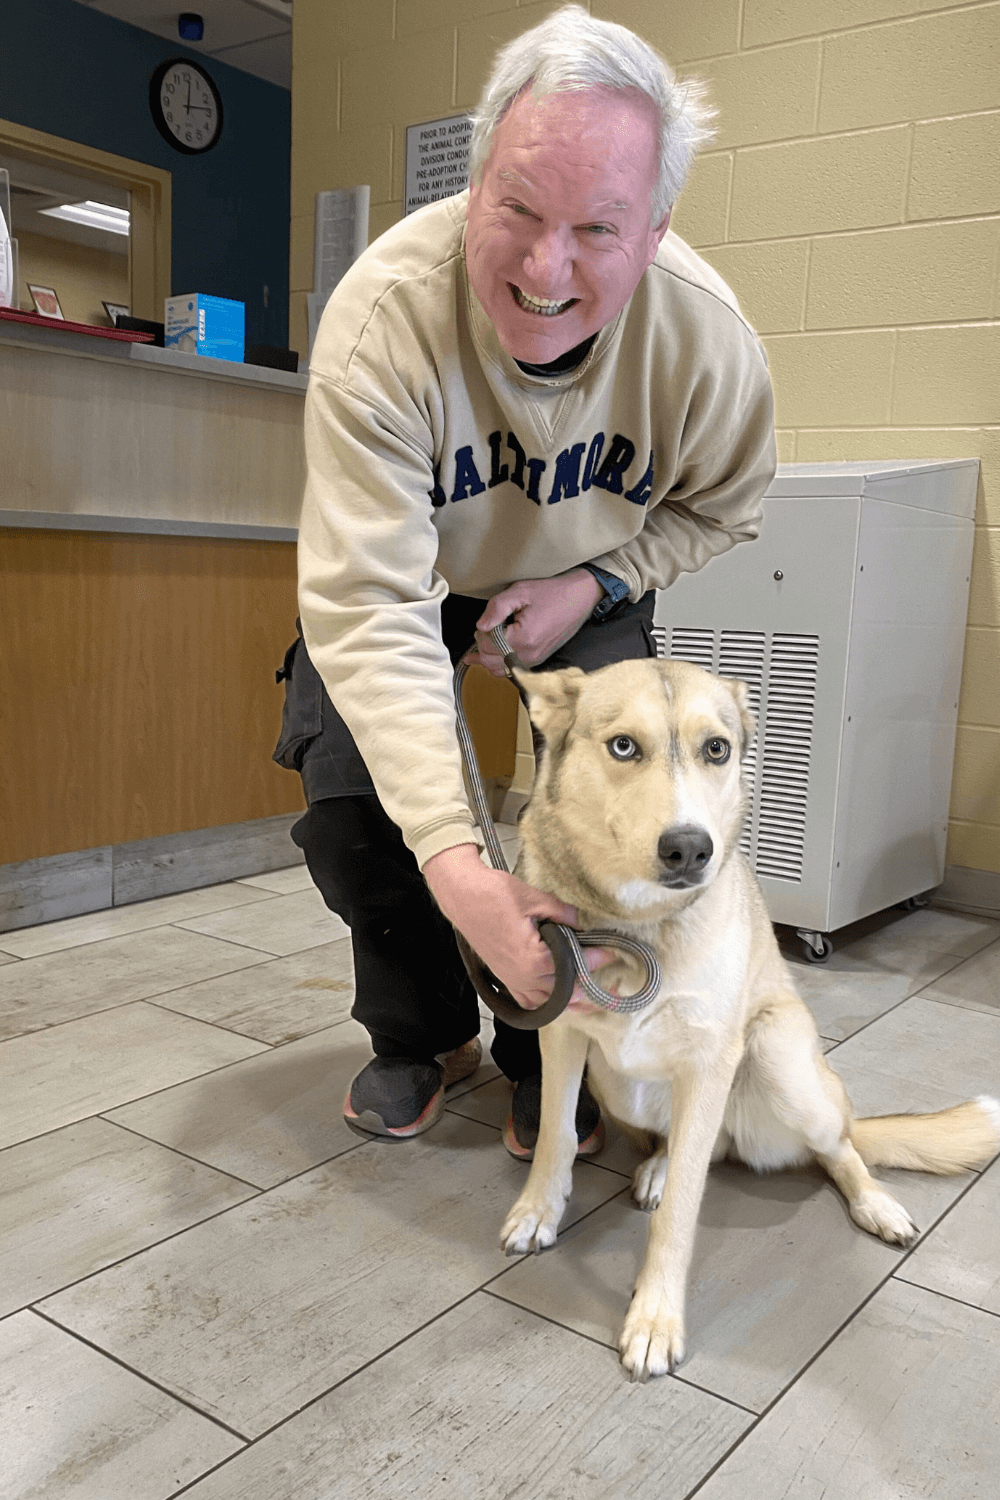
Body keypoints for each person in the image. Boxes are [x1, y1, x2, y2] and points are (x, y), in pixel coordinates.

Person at [276, 5, 776, 1152]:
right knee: (360, 818)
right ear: (476, 174)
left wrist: (596, 585)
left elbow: (724, 506)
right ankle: (424, 1034)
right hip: (405, 582)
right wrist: (459, 867)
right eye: (516, 209)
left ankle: (537, 1049)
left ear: (653, 233)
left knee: (605, 818)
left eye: (597, 229)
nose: (544, 271)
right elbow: (365, 604)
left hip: (586, 576)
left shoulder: (708, 346)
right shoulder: (380, 323)